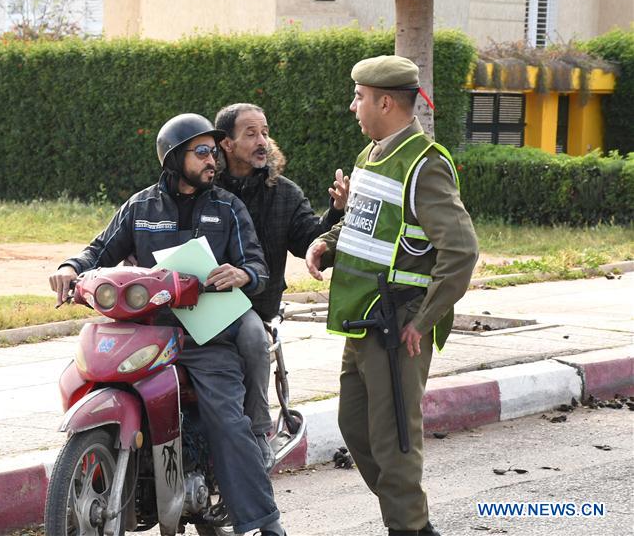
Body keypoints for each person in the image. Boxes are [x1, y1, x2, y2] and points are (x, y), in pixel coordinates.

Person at [50, 113, 287, 536]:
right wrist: (71, 267)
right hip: (148, 330)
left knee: (228, 421)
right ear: (175, 157)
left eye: (214, 151)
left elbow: (257, 265)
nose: (212, 159)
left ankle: (263, 524)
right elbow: (100, 248)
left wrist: (243, 274)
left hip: (208, 332)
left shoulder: (227, 208)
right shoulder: (140, 207)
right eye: (202, 151)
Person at [305, 56, 478, 536]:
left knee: (396, 441)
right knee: (356, 428)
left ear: (385, 101)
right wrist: (328, 242)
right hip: (360, 320)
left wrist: (422, 322)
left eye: (359, 97)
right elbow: (367, 225)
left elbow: (461, 251)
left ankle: (408, 527)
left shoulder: (426, 166)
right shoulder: (371, 156)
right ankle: (413, 521)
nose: (353, 106)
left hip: (397, 326)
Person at [213, 103, 347, 467]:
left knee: (254, 337)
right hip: (202, 305)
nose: (262, 142)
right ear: (226, 143)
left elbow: (311, 242)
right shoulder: (203, 188)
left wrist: (337, 212)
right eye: (251, 134)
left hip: (254, 306)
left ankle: (258, 432)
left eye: (265, 132)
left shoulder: (284, 193)